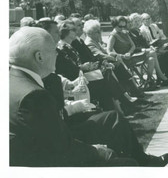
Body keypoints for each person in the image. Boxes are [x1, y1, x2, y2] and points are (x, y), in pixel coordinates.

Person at [9, 26, 137, 166]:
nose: (57, 54)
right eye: (54, 50)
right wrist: (97, 151)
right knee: (128, 164)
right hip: (48, 164)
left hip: (33, 158)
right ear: (39, 57)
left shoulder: (12, 81)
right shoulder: (34, 95)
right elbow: (62, 147)